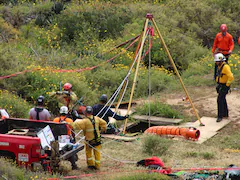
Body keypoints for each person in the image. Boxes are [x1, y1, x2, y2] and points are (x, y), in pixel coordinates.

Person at [70, 106, 107, 170]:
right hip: (97, 139)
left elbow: (75, 125)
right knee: (97, 153)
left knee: (88, 152)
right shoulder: (97, 118)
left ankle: (90, 165)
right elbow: (104, 123)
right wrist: (103, 130)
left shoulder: (85, 121)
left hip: (89, 140)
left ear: (86, 112)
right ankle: (97, 166)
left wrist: (68, 123)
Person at [53, 106, 79, 170]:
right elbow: (73, 132)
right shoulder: (69, 120)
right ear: (67, 113)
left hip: (57, 139)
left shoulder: (55, 120)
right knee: (71, 151)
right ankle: (73, 165)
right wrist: (74, 140)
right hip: (67, 139)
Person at [214, 53, 234, 122]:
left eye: (217, 61)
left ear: (221, 61)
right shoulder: (220, 66)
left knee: (219, 100)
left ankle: (220, 116)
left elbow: (231, 76)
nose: (216, 63)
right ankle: (225, 113)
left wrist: (227, 84)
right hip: (220, 84)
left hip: (224, 85)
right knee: (223, 99)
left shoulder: (225, 67)